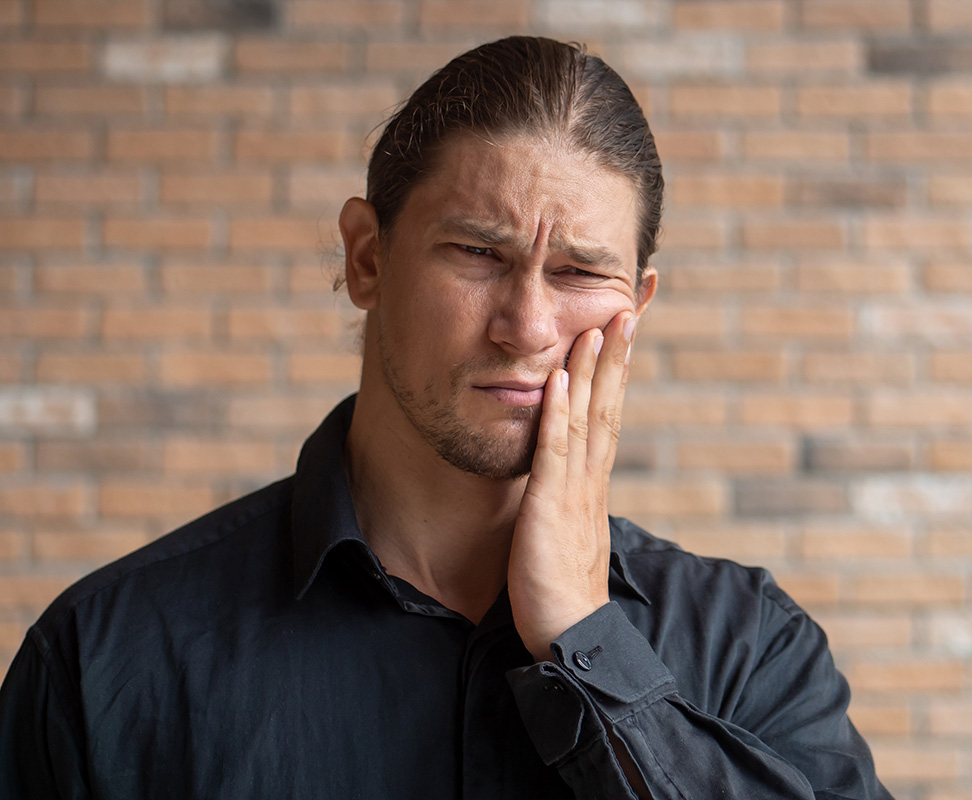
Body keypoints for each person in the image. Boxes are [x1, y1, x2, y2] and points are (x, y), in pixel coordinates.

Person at [0, 37, 892, 799]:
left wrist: (590, 647)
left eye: (579, 274)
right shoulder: (106, 659)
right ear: (367, 258)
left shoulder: (754, 648)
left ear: (637, 306)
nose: (527, 328)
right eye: (475, 253)